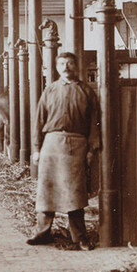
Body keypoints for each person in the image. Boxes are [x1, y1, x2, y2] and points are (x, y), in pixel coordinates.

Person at [27, 52, 100, 250]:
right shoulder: (50, 90)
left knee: (75, 191)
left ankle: (79, 237)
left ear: (76, 66)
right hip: (51, 142)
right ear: (57, 67)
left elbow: (94, 123)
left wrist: (91, 150)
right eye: (61, 63)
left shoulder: (86, 91)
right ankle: (42, 232)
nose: (65, 67)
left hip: (77, 144)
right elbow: (38, 121)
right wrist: (36, 149)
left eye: (69, 63)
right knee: (46, 188)